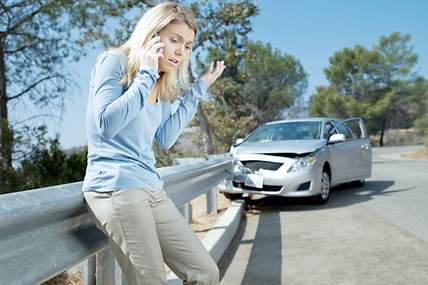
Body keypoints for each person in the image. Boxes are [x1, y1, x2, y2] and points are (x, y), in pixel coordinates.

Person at [81, 2, 225, 285]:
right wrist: (145, 75)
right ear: (152, 35)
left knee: (205, 273)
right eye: (174, 41)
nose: (180, 52)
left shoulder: (160, 82)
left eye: (187, 45)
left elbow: (166, 138)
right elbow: (105, 125)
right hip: (117, 188)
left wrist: (199, 89)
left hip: (152, 189)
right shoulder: (115, 62)